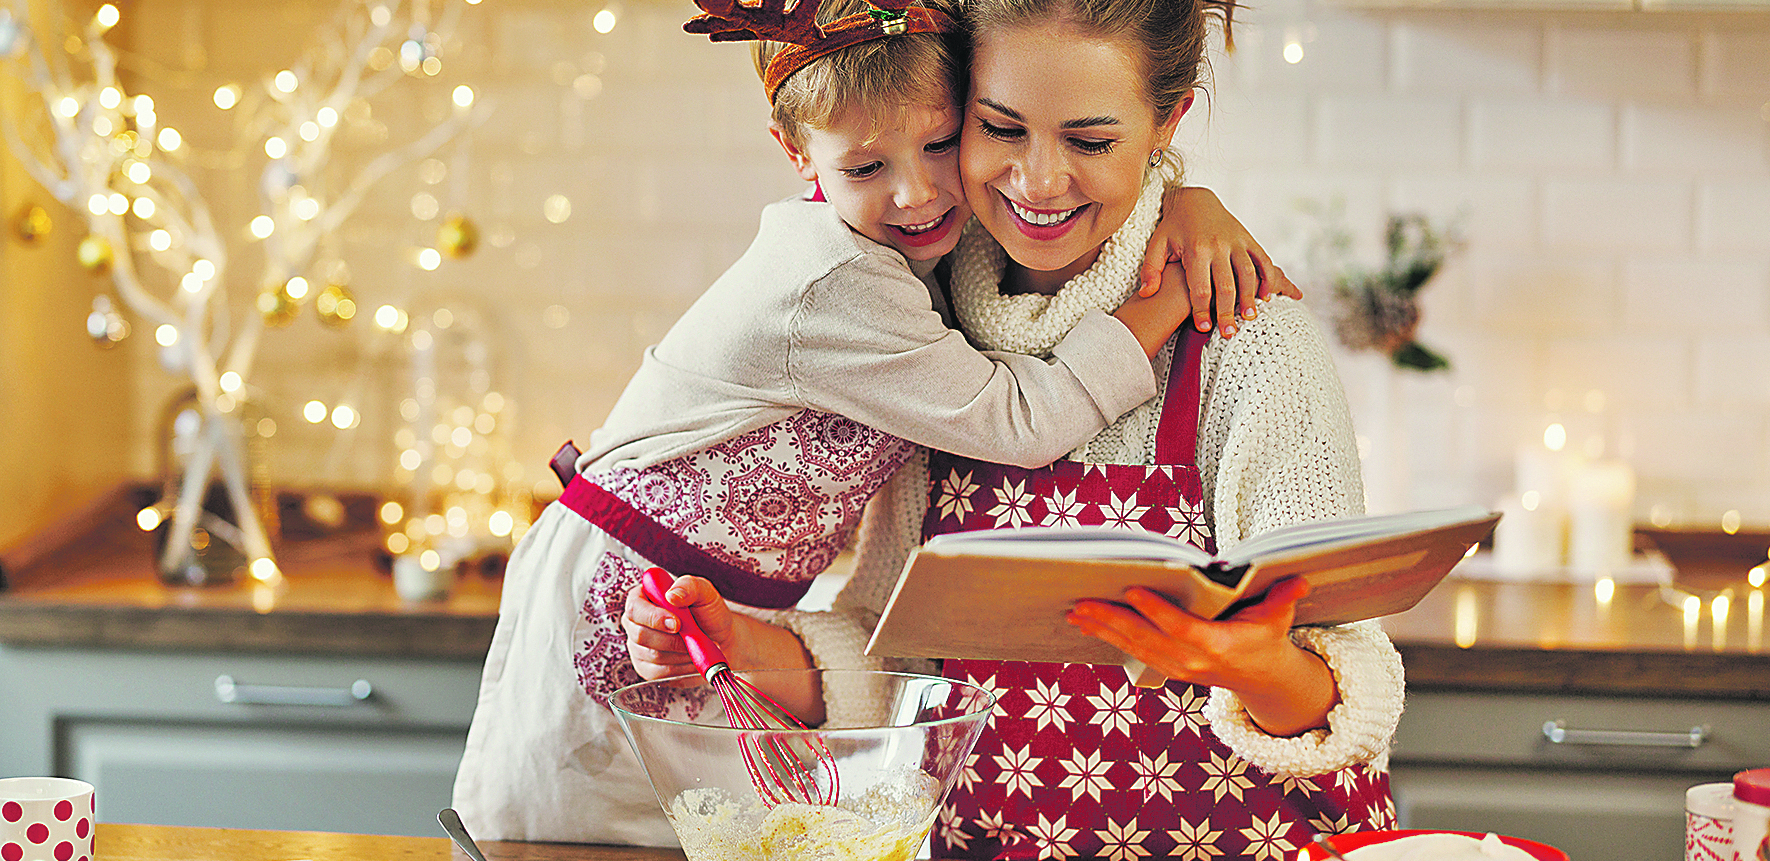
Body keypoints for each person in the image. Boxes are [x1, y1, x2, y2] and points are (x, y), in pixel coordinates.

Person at [450, 0, 1296, 843]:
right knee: (588, 830)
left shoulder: (922, 256)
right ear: (794, 149)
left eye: (939, 142)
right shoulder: (835, 280)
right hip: (630, 593)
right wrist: (1169, 293)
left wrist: (1184, 201)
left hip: (713, 608)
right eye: (866, 166)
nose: (919, 191)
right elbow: (1020, 421)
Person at [623, 0, 1407, 855]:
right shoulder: (926, 329)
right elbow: (898, 664)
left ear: (1167, 120)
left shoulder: (1245, 337)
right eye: (1000, 127)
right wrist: (744, 645)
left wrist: (1257, 665)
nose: (1038, 180)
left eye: (1091, 141)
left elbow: (1347, 683)